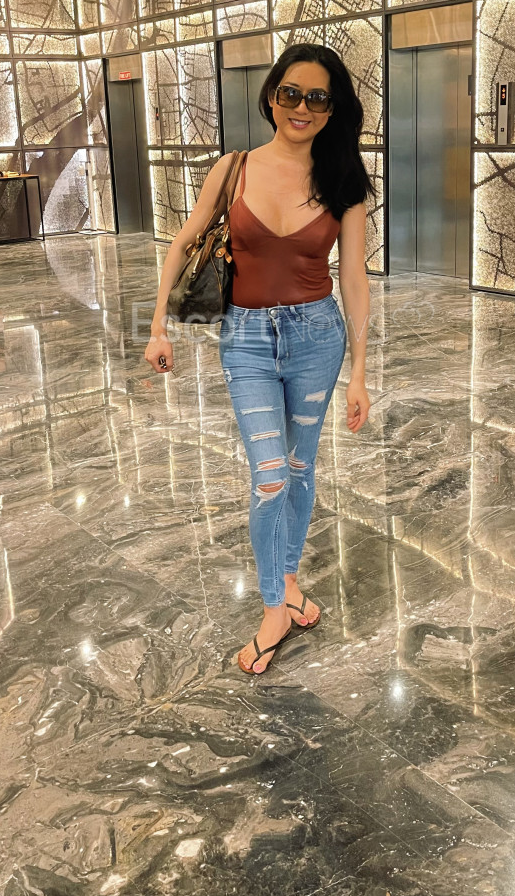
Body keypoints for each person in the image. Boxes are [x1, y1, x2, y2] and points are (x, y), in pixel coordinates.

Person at [145, 43, 372, 674]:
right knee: (269, 474)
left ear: (333, 109)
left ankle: (288, 582)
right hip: (245, 339)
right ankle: (276, 606)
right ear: (272, 97)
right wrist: (158, 327)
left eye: (318, 98)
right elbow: (183, 242)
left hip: (317, 337)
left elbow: (355, 279)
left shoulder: (343, 178)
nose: (303, 107)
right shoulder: (234, 168)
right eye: (291, 93)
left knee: (300, 467)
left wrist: (359, 372)